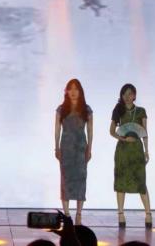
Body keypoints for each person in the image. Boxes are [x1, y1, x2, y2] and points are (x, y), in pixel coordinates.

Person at [110, 83, 152, 228]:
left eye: (130, 93)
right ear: (121, 96)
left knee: (141, 181)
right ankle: (120, 214)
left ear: (134, 95)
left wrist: (146, 150)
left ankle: (148, 214)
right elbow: (112, 131)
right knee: (120, 181)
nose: (127, 96)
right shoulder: (118, 110)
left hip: (137, 149)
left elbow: (145, 132)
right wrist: (122, 138)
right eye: (125, 94)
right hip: (122, 149)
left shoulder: (141, 111)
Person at [55, 79, 93, 225]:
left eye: (76, 88)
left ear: (80, 91)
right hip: (66, 148)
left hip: (81, 148)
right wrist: (56, 147)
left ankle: (78, 214)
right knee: (65, 181)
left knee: (81, 180)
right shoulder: (61, 109)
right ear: (66, 91)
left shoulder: (86, 109)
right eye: (70, 88)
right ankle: (67, 215)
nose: (73, 91)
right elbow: (57, 130)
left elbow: (90, 131)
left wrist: (89, 148)